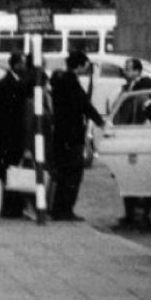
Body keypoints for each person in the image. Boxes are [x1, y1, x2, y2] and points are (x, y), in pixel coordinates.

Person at [46, 50, 104, 222]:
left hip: (60, 134)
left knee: (62, 173)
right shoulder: (71, 81)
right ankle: (65, 210)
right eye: (85, 66)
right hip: (72, 134)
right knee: (73, 175)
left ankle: (57, 208)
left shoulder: (59, 80)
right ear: (79, 65)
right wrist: (99, 121)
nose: (86, 69)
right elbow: (84, 104)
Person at [115, 59, 151, 228]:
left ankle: (142, 215)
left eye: (129, 69)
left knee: (143, 179)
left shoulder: (144, 91)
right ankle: (131, 214)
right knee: (127, 178)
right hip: (128, 137)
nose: (126, 72)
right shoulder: (126, 89)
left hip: (142, 139)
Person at [0, 52, 33, 220]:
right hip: (9, 136)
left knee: (13, 171)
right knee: (10, 171)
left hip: (13, 135)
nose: (24, 67)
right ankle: (10, 209)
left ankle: (14, 207)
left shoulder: (15, 82)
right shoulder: (6, 84)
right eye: (22, 64)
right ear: (15, 65)